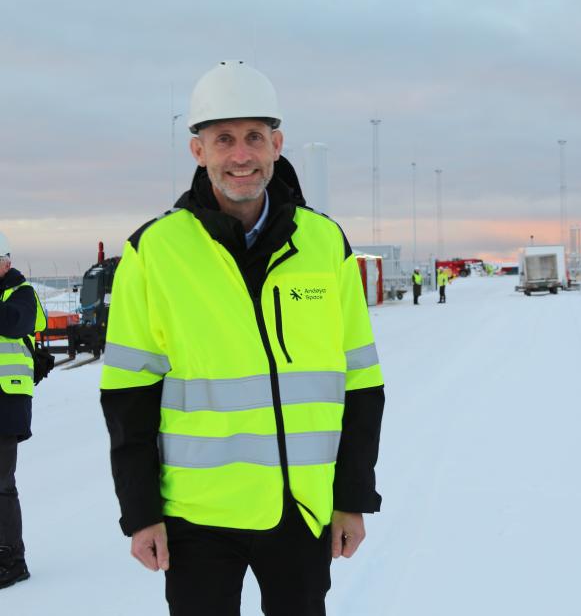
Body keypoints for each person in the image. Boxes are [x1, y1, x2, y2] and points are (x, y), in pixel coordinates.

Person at [99, 60, 385, 615]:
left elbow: (362, 383)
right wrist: (140, 512)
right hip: (196, 519)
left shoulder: (325, 244)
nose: (240, 155)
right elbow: (127, 396)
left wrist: (352, 499)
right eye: (223, 138)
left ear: (276, 145)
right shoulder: (153, 251)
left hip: (302, 510)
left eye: (254, 137)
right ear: (198, 151)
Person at [0, 232, 47, 589]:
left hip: (7, 405)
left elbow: (14, 323)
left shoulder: (22, 294)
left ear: (6, 262)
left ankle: (12, 560)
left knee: (1, 485)